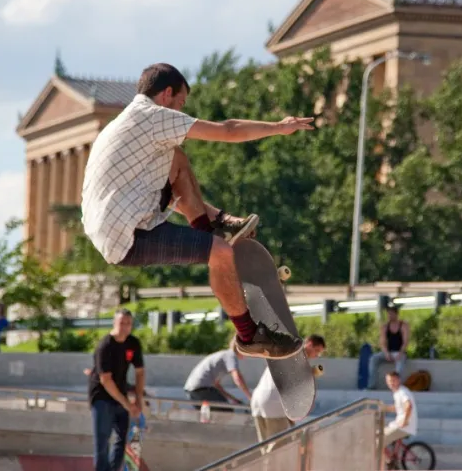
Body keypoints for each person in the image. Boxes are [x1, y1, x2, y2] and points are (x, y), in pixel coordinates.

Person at [80, 62, 314, 360]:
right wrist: (279, 128)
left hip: (117, 224)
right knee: (219, 252)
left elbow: (164, 187)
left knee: (176, 156)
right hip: (129, 237)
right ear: (166, 94)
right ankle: (249, 335)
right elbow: (228, 130)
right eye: (181, 103)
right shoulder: (154, 116)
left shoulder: (124, 122)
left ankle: (212, 225)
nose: (181, 110)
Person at [88, 309, 145, 471]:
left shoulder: (133, 343)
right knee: (103, 441)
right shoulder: (105, 345)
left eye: (128, 324)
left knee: (123, 438)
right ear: (115, 323)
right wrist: (128, 404)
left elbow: (140, 371)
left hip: (121, 394)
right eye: (121, 323)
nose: (125, 327)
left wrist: (138, 400)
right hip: (102, 396)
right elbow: (105, 379)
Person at [249, 335, 326, 444]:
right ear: (309, 344)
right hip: (273, 402)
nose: (316, 355)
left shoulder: (288, 351)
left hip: (257, 400)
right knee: (279, 448)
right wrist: (312, 373)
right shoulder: (299, 357)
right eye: (317, 351)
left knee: (264, 446)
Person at [184, 348, 251, 409]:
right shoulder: (231, 355)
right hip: (202, 390)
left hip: (191, 392)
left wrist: (234, 399)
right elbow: (237, 378)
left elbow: (217, 386)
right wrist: (251, 398)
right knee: (226, 410)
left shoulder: (223, 356)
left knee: (211, 415)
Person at [367, 305, 409, 390]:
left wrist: (400, 353)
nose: (389, 316)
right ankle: (372, 385)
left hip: (399, 352)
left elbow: (405, 342)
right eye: (388, 314)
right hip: (388, 352)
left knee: (400, 362)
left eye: (391, 314)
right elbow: (383, 343)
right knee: (373, 359)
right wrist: (386, 353)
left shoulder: (403, 325)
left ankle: (396, 385)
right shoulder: (385, 326)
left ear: (396, 314)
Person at [382, 370, 420, 460]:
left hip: (404, 426)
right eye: (389, 381)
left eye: (393, 381)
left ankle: (389, 462)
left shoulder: (403, 392)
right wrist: (383, 408)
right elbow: (397, 407)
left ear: (399, 380)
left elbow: (408, 406)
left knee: (379, 442)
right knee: (380, 433)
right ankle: (391, 460)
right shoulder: (397, 392)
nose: (391, 383)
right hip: (398, 424)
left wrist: (405, 421)